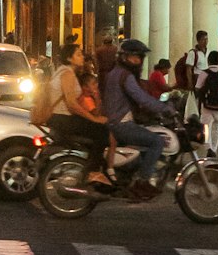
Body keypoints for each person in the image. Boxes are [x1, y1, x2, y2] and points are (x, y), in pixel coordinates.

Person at [101, 38, 175, 201]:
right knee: (157, 142)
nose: (139, 61)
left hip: (116, 121)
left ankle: (134, 174)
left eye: (140, 57)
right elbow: (141, 98)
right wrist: (165, 108)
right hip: (121, 124)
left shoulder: (116, 72)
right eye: (135, 57)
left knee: (148, 136)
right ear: (125, 57)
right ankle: (142, 182)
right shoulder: (125, 75)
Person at [46, 41, 113, 188]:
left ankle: (94, 168)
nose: (82, 57)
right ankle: (93, 172)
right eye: (78, 54)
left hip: (60, 118)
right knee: (102, 131)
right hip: (62, 119)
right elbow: (71, 104)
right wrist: (94, 119)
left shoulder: (63, 72)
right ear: (69, 58)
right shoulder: (67, 74)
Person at [197, 50, 218, 153]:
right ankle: (214, 149)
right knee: (217, 127)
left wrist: (200, 103)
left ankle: (209, 148)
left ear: (208, 61)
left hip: (207, 105)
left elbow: (198, 88)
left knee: (206, 127)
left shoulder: (204, 73)